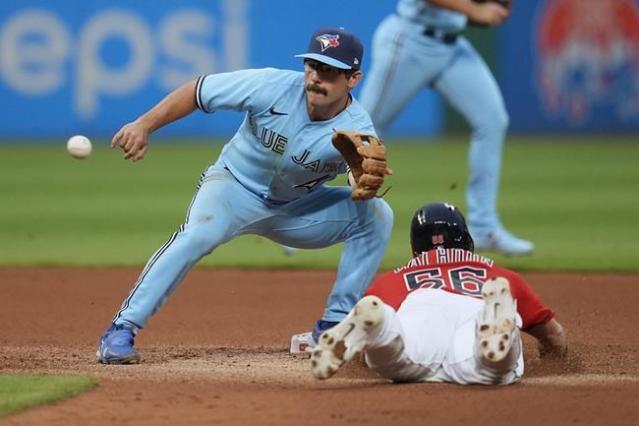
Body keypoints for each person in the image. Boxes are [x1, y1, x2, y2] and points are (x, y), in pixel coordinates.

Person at [96, 27, 394, 364]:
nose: (315, 78)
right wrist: (144, 125)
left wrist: (362, 182)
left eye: (329, 72)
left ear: (353, 78)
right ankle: (121, 329)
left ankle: (331, 328)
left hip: (296, 209)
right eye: (312, 66)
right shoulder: (271, 86)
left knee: (377, 215)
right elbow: (198, 91)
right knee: (198, 235)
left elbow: (363, 184)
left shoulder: (359, 129)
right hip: (232, 188)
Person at [311, 202, 566, 385]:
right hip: (475, 307)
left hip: (419, 306)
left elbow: (364, 363)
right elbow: (553, 335)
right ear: (467, 241)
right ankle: (491, 329)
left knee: (397, 358)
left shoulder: (392, 280)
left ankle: (382, 326)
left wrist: (369, 356)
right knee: (487, 371)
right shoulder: (501, 277)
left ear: (414, 248)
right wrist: (556, 359)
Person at [359, 0, 534, 255]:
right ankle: (304, 204)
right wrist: (476, 11)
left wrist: (487, 11)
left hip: (452, 46)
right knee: (362, 131)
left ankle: (485, 226)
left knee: (492, 121)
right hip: (410, 40)